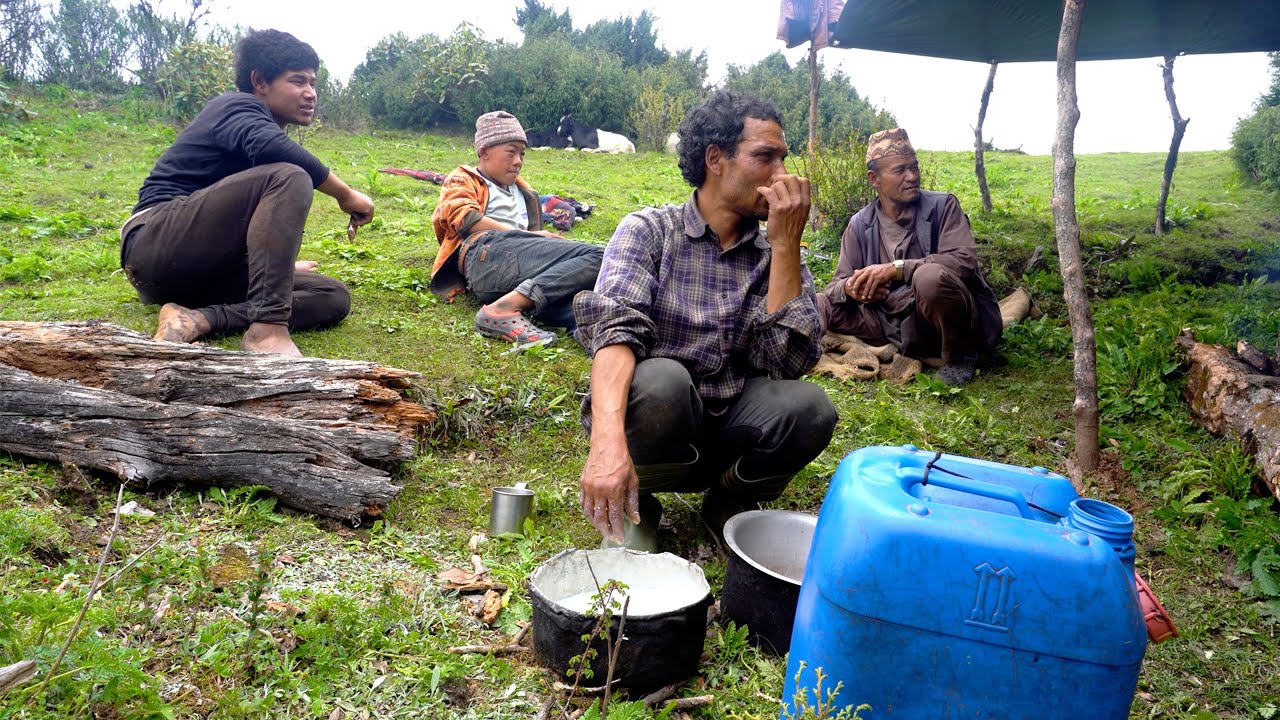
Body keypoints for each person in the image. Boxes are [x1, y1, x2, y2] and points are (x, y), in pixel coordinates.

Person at [574, 90, 837, 550]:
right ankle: (639, 502)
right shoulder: (649, 231)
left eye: (784, 159)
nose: (782, 175)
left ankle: (729, 502)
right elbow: (615, 334)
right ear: (716, 159)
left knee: (811, 408)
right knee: (664, 383)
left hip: (730, 424)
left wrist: (784, 249)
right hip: (659, 422)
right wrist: (605, 445)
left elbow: (785, 361)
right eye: (765, 158)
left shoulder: (775, 250)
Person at [120, 29, 373, 356]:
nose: (310, 93)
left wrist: (275, 271)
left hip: (202, 276)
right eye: (297, 81)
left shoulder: (259, 131)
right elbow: (273, 150)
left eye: (313, 83)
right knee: (289, 176)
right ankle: (266, 331)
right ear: (259, 81)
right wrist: (345, 195)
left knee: (331, 295)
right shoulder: (234, 106)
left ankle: (198, 319)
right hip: (155, 246)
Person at [818, 128, 1002, 386]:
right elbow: (836, 285)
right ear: (874, 178)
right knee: (818, 302)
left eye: (914, 168)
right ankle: (800, 351)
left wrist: (898, 269)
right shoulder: (860, 224)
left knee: (930, 277)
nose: (912, 176)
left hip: (933, 320)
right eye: (900, 170)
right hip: (887, 321)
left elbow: (963, 261)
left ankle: (959, 356)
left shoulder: (943, 207)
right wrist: (853, 288)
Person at [430, 111, 604, 349]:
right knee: (603, 256)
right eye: (510, 152)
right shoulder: (464, 178)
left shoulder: (524, 191)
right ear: (484, 152)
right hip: (484, 253)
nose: (518, 161)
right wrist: (532, 236)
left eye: (522, 154)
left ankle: (598, 334)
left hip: (513, 270)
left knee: (587, 302)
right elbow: (466, 219)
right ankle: (501, 310)